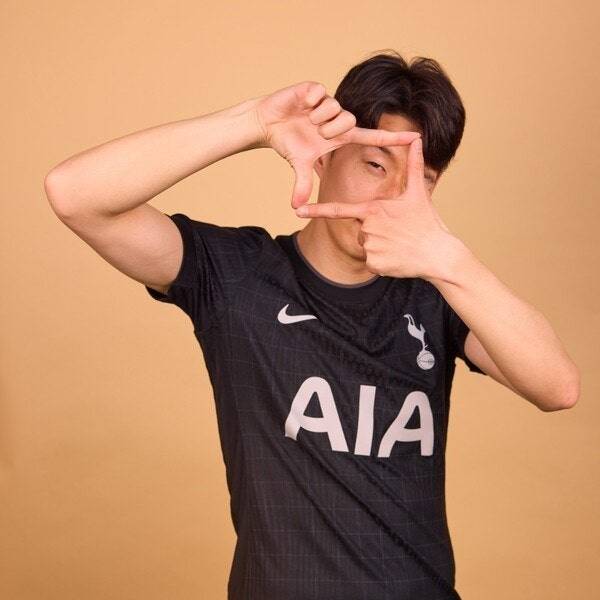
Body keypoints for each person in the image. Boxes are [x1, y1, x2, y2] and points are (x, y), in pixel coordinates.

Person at [45, 50, 580, 600]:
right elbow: (76, 195)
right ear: (324, 156)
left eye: (420, 181)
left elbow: (557, 387)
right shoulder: (238, 277)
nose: (392, 198)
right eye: (376, 165)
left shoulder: (439, 294)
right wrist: (253, 123)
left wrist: (451, 261)